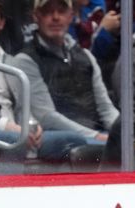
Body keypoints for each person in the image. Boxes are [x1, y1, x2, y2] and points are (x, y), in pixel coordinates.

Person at [0, 0, 87, 172]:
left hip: (19, 133)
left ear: (1, 23)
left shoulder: (10, 61)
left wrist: (32, 124)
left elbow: (22, 108)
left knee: (73, 140)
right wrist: (5, 125)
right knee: (14, 140)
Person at [13, 0, 118, 143]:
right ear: (36, 16)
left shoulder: (86, 56)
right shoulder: (25, 60)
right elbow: (46, 117)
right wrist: (96, 137)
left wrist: (124, 132)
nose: (55, 17)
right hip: (63, 143)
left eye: (61, 11)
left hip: (98, 137)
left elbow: (106, 108)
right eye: (48, 11)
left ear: (71, 16)